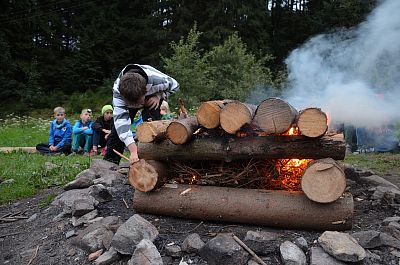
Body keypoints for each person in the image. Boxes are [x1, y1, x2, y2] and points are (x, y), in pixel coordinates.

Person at [104, 64, 179, 164]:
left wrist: (159, 95)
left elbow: (175, 85)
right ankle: (110, 162)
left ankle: (156, 160)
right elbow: (121, 124)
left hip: (152, 98)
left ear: (145, 90)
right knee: (117, 132)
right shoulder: (118, 91)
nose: (136, 106)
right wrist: (133, 150)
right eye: (132, 104)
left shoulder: (159, 80)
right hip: (131, 99)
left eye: (137, 103)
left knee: (153, 127)